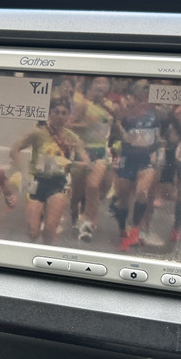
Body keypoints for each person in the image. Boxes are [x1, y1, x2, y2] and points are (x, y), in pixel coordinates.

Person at [10, 97, 88, 244]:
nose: (60, 116)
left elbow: (85, 160)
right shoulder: (38, 133)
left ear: (68, 116)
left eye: (64, 113)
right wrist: (24, 171)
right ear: (49, 114)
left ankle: (46, 254)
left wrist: (72, 165)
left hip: (59, 184)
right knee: (33, 232)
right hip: (36, 182)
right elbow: (15, 150)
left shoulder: (72, 138)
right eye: (56, 112)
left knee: (50, 229)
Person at [109, 79, 162, 250]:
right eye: (142, 88)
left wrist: (159, 152)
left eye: (148, 89)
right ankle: (122, 229)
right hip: (127, 157)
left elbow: (164, 134)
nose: (145, 91)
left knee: (142, 193)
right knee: (123, 198)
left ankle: (135, 230)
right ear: (134, 92)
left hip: (146, 158)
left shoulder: (158, 112)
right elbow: (114, 134)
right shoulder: (125, 110)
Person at [68, 76, 117, 241]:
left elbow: (114, 129)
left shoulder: (111, 107)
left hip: (100, 153)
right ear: (92, 86)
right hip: (83, 153)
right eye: (97, 82)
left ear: (108, 86)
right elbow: (69, 126)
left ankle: (88, 225)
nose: (101, 85)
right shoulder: (83, 105)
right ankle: (75, 214)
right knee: (77, 192)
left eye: (105, 82)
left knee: (93, 186)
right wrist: (85, 126)